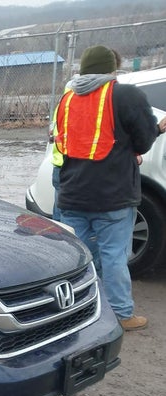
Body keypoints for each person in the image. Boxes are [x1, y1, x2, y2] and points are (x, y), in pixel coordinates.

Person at [54, 45, 166, 332]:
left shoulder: (67, 99)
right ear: (112, 69)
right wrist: (158, 129)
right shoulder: (124, 94)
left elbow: (66, 142)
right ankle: (121, 314)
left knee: (78, 258)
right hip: (112, 195)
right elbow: (142, 141)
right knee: (114, 255)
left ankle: (80, 310)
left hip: (71, 193)